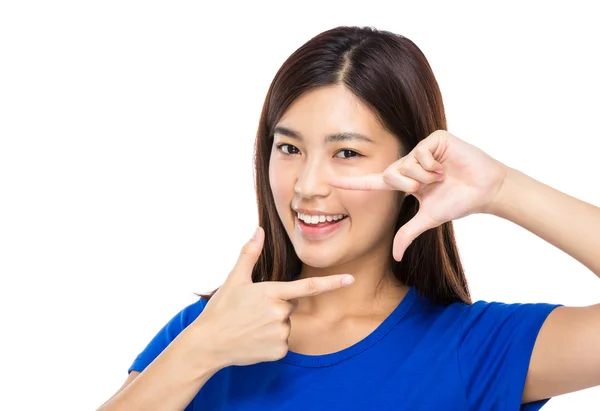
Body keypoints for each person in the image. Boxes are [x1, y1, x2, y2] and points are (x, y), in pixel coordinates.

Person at [97, 26, 600, 410]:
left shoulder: (472, 348)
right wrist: (202, 349)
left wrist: (502, 189)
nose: (307, 185)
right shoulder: (210, 331)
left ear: (412, 167)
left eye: (347, 154)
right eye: (289, 147)